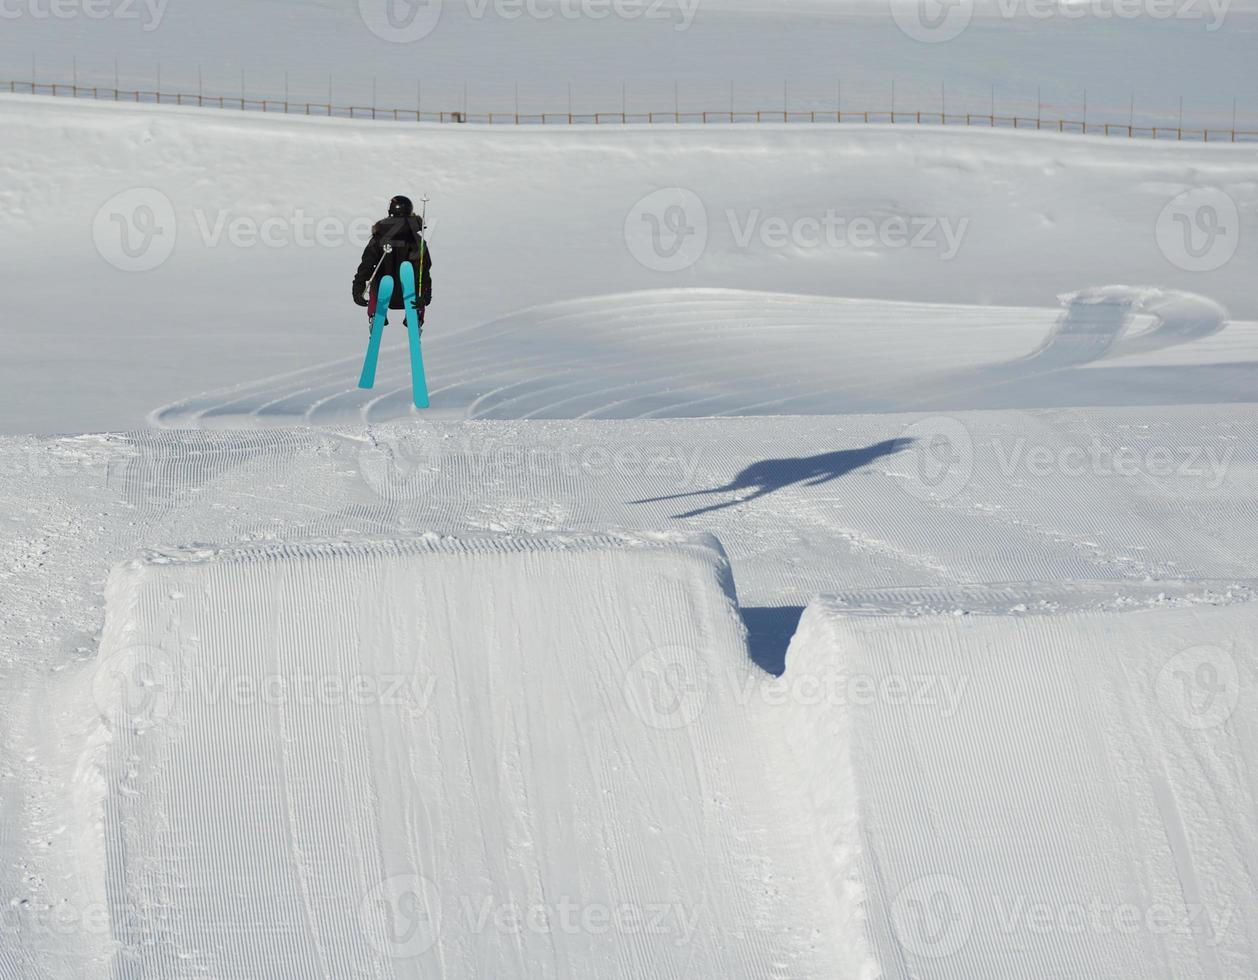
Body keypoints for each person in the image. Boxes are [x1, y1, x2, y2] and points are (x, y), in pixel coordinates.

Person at [352, 195, 433, 333]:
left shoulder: (379, 238)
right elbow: (424, 269)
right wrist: (425, 295)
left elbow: (367, 265)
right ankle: (416, 317)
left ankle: (375, 313)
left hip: (383, 291)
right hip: (410, 294)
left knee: (376, 277)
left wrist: (358, 289)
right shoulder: (416, 240)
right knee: (416, 277)